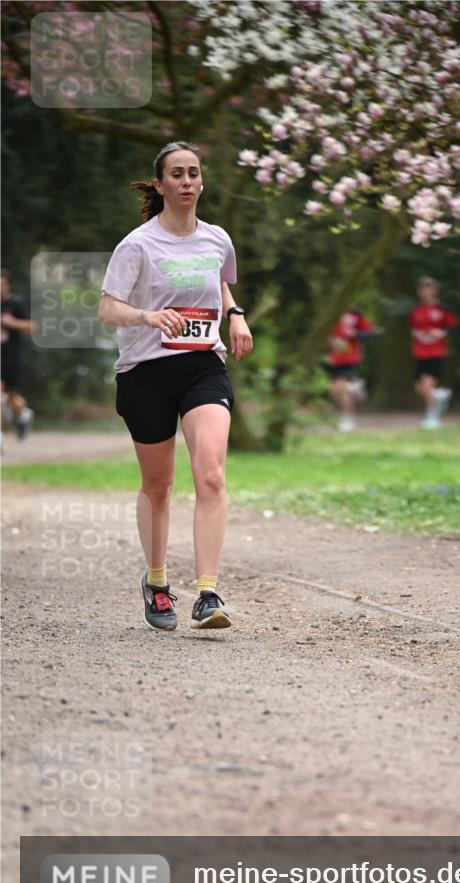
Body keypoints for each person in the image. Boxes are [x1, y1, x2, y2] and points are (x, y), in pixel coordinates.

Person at [98, 141, 253, 632]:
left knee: (210, 472)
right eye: (178, 175)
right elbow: (107, 309)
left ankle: (208, 593)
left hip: (202, 364)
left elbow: (220, 282)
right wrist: (147, 316)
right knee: (159, 485)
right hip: (145, 370)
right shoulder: (137, 245)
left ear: (201, 182)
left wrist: (235, 314)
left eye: (194, 174)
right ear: (161, 184)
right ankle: (158, 582)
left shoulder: (217, 239)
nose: (187, 182)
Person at [409, 276, 457, 429]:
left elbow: (452, 327)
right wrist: (417, 334)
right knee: (419, 387)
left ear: (435, 290)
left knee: (427, 383)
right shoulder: (416, 310)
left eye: (428, 288)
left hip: (436, 351)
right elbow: (413, 327)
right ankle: (438, 395)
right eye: (422, 288)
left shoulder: (443, 309)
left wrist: (440, 332)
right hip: (420, 351)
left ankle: (432, 416)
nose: (425, 292)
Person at [326, 307, 375, 432]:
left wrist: (355, 333)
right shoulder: (329, 311)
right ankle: (355, 388)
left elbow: (370, 332)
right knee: (334, 391)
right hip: (333, 359)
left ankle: (348, 419)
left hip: (349, 358)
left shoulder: (355, 314)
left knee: (341, 388)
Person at [1, 269, 36, 439]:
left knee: (12, 397)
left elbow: (31, 326)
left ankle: (23, 414)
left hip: (11, 355)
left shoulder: (15, 303)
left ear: (7, 284)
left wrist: (12, 323)